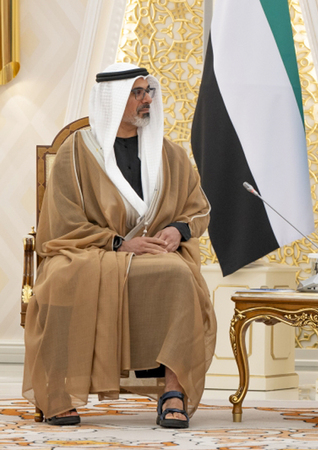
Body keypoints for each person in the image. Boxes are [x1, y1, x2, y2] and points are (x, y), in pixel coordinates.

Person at [22, 63, 216, 429]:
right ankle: (58, 393)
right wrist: (118, 244)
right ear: (113, 99)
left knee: (178, 274)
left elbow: (198, 208)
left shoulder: (169, 154)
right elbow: (62, 222)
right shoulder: (76, 152)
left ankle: (173, 391)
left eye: (148, 92)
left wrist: (178, 230)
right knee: (60, 279)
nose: (147, 100)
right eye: (137, 93)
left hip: (153, 254)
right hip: (88, 251)